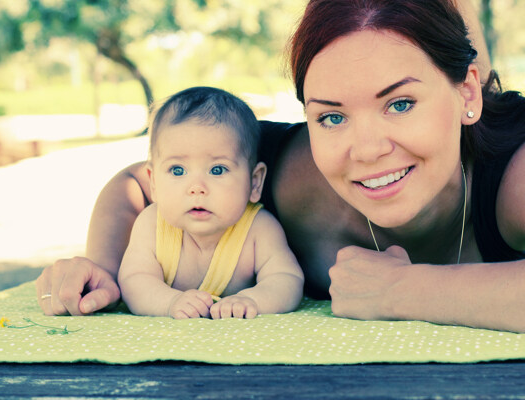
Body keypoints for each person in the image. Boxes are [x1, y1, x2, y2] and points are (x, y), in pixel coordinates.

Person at [36, 0, 525, 332]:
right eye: (331, 116)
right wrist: (100, 267)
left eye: (399, 104)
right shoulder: (290, 176)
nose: (367, 149)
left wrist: (405, 291)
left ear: (467, 93)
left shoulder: (514, 172)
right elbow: (138, 186)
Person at [117, 86, 304, 319]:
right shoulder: (151, 225)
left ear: (254, 182)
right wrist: (170, 302)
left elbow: (287, 279)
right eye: (177, 170)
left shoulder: (258, 228)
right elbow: (134, 280)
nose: (197, 187)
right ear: (153, 182)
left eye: (217, 170)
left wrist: (252, 300)